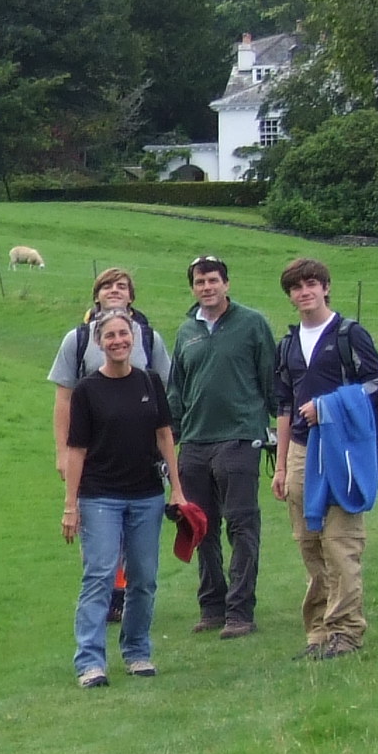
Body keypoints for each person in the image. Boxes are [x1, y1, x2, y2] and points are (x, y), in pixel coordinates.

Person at [270, 256, 378, 660]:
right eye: (296, 287)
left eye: (311, 284)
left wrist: (328, 408)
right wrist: (282, 466)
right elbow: (284, 406)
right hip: (302, 452)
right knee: (309, 543)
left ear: (325, 287)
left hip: (342, 451)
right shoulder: (286, 344)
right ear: (290, 296)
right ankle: (319, 632)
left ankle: (347, 631)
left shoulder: (348, 334)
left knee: (340, 542)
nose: (304, 292)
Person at [62, 304, 181, 688]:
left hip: (146, 495)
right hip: (100, 498)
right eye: (110, 336)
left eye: (123, 335)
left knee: (144, 578)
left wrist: (176, 489)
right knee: (99, 575)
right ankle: (90, 662)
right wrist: (70, 505)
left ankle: (137, 652)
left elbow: (165, 436)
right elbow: (76, 450)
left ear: (133, 340)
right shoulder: (86, 391)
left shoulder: (149, 383)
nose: (118, 341)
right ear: (99, 343)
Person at [49, 268, 171, 621]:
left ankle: (128, 603)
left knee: (136, 537)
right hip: (93, 453)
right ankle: (109, 599)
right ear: (96, 295)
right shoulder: (78, 340)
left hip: (141, 457)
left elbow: (166, 400)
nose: (114, 290)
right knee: (102, 532)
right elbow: (63, 400)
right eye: (106, 286)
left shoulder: (149, 339)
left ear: (132, 296)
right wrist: (62, 452)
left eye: (122, 286)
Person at [167, 253, 276, 637]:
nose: (207, 287)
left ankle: (240, 612)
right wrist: (173, 438)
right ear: (193, 288)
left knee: (242, 525)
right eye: (199, 282)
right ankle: (212, 606)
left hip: (240, 436)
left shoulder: (252, 324)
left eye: (213, 280)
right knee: (201, 527)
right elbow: (177, 388)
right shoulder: (186, 331)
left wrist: (274, 429)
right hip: (195, 442)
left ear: (226, 284)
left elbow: (271, 379)